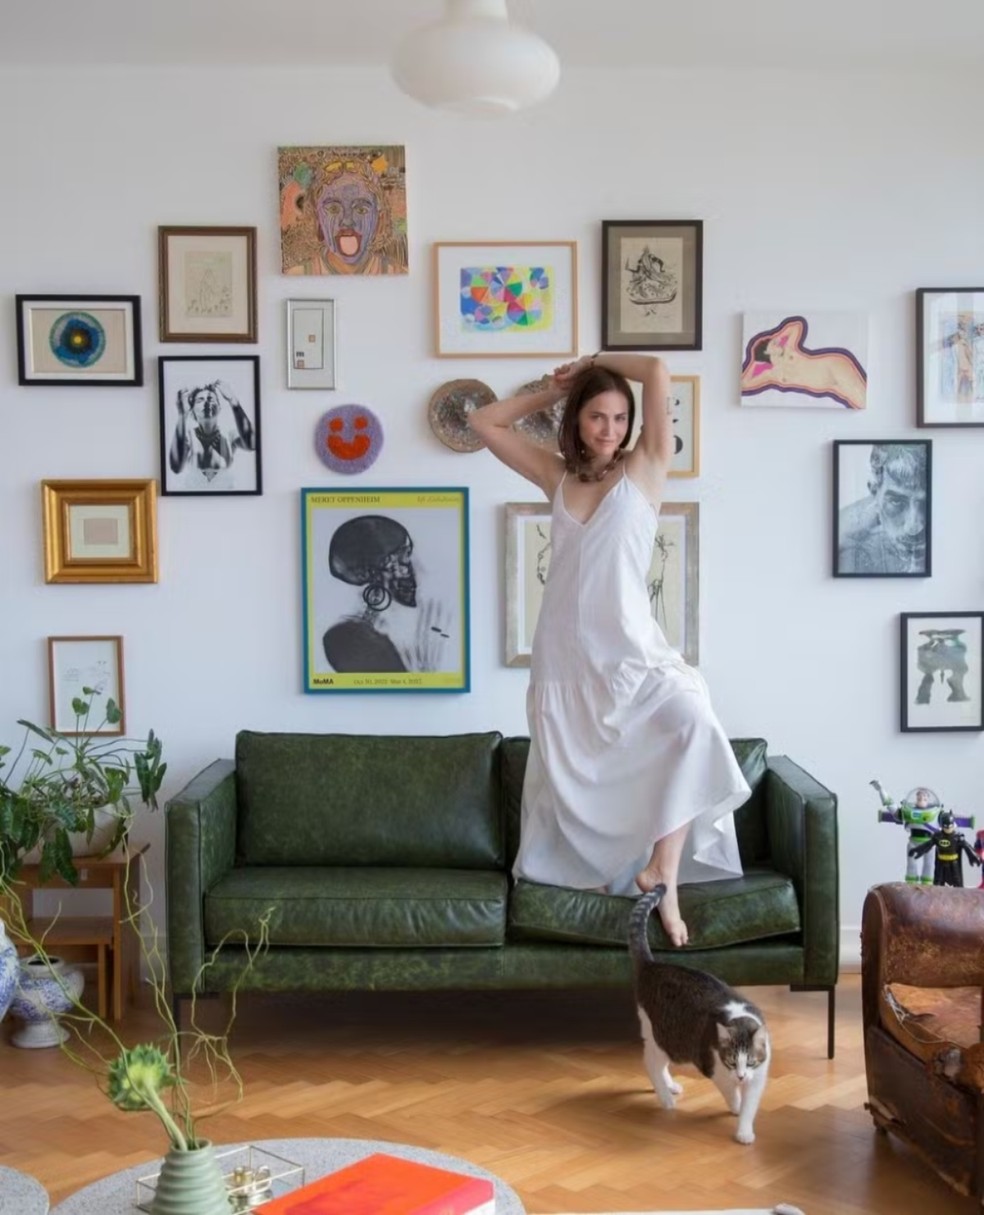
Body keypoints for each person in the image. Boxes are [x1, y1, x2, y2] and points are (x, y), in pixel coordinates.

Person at [469, 352, 750, 947]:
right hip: (565, 660)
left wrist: (593, 362)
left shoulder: (646, 467)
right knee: (580, 775)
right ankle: (611, 874)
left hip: (631, 652)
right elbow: (485, 423)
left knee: (692, 721)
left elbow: (654, 369)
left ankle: (663, 874)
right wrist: (552, 391)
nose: (611, 430)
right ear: (577, 422)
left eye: (621, 418)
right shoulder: (556, 476)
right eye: (597, 417)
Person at [837, 443, 927, 574]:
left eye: (924, 503)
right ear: (874, 491)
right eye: (896, 502)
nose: (914, 527)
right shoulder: (846, 543)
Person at [168, 380, 255, 479]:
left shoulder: (230, 434)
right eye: (200, 400)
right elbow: (176, 467)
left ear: (219, 407)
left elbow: (252, 444)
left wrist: (233, 401)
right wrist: (182, 415)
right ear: (192, 410)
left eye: (211, 399)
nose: (206, 402)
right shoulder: (188, 436)